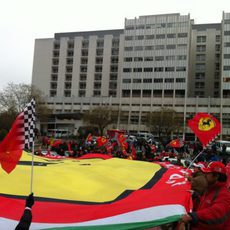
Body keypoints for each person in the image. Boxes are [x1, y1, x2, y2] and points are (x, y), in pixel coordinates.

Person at [181, 161, 230, 229]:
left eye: (208, 173)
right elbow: (206, 205)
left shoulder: (224, 194)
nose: (205, 175)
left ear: (216, 176)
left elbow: (217, 212)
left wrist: (195, 216)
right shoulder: (211, 189)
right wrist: (196, 197)